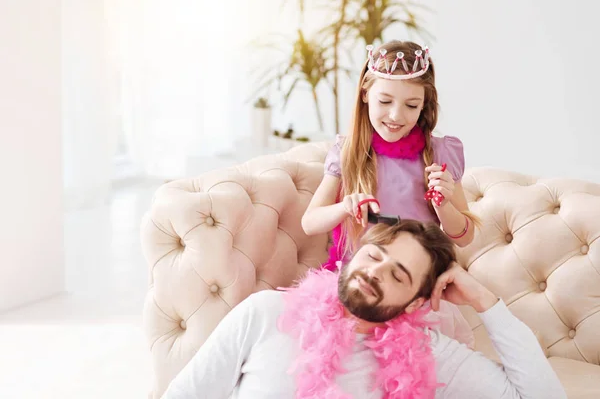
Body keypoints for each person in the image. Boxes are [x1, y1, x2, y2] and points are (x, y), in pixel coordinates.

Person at [162, 220, 566, 399]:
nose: (375, 272)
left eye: (398, 275)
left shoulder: (429, 354)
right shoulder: (265, 312)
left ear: (416, 302)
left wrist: (485, 302)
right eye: (374, 254)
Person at [302, 40, 478, 346]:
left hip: (413, 291)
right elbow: (310, 223)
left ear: (425, 106)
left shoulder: (439, 153)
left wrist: (444, 205)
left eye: (411, 105)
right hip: (359, 284)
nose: (396, 115)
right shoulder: (349, 152)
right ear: (365, 94)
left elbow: (464, 236)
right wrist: (345, 206)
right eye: (385, 101)